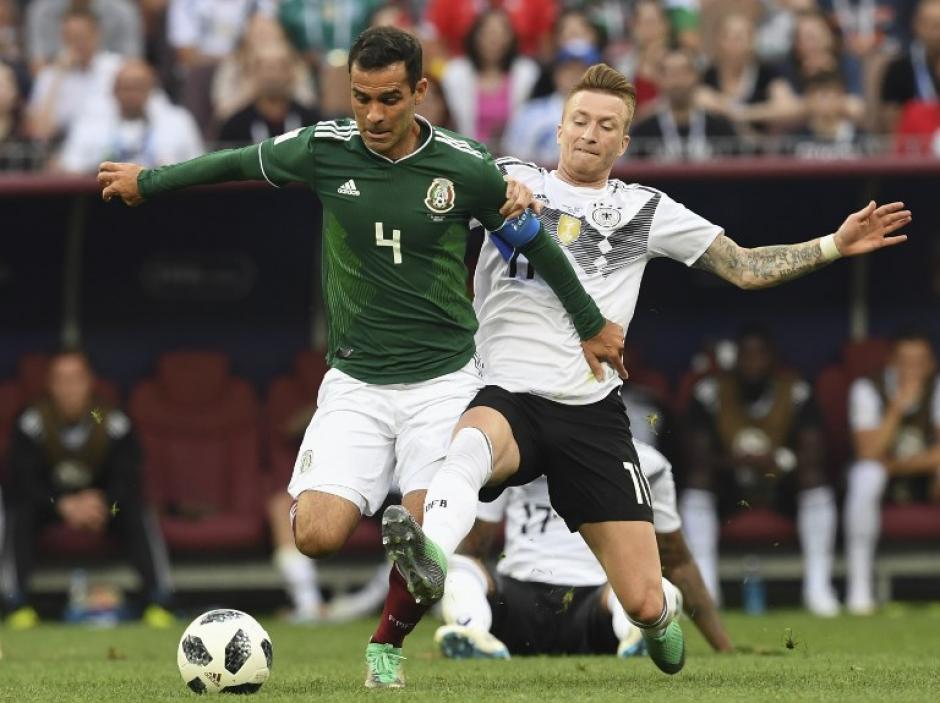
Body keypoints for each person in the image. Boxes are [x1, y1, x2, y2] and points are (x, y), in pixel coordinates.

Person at [95, 26, 624, 688]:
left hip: (444, 381)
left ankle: (385, 644)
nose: (373, 115)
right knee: (315, 533)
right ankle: (387, 523)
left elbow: (538, 244)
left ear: (421, 92)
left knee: (438, 534)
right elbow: (235, 162)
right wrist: (152, 179)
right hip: (356, 382)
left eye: (390, 99)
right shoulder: (324, 148)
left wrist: (590, 322)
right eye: (361, 98)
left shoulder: (463, 167)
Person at [375, 61, 910, 686]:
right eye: (579, 120)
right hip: (507, 394)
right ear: (558, 128)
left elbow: (742, 266)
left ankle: (657, 623)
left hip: (590, 411)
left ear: (624, 141)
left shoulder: (644, 210)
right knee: (469, 443)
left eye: (606, 125)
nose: (589, 134)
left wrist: (833, 246)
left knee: (645, 600)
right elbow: (426, 193)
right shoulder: (508, 182)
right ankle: (430, 555)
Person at [434, 440, 733, 659]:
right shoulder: (511, 452)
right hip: (516, 605)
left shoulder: (646, 464)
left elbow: (675, 560)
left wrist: (724, 648)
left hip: (599, 604)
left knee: (655, 587)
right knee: (458, 567)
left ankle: (636, 636)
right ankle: (471, 631)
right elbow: (474, 547)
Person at [0, 349, 174, 630]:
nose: (69, 388)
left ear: (89, 381)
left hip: (106, 507)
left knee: (135, 509)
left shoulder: (109, 419)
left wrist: (102, 501)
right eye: (61, 379)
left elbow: (129, 478)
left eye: (76, 379)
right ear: (50, 384)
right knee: (19, 510)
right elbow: (21, 480)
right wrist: (63, 504)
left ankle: (159, 599)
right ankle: (15, 603)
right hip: (51, 506)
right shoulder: (32, 421)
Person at [679, 326, 839, 615]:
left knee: (814, 480)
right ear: (735, 359)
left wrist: (779, 460)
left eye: (760, 356)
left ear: (773, 359)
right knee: (697, 481)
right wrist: (736, 462)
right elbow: (695, 456)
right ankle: (707, 590)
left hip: (780, 483)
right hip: (729, 483)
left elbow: (814, 451)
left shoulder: (797, 390)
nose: (753, 363)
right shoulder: (709, 392)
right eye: (746, 356)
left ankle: (818, 586)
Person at [844, 328, 940, 615]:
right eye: (905, 362)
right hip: (881, 482)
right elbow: (868, 451)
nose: (913, 370)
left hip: (922, 477)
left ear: (932, 363)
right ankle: (859, 587)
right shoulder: (867, 388)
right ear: (891, 363)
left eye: (919, 362)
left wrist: (898, 464)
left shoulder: (938, 387)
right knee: (866, 474)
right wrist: (897, 407)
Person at [59, 58, 203, 174]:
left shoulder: (178, 121)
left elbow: (198, 169)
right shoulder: (89, 123)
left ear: (150, 90)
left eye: (139, 87)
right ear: (114, 90)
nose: (132, 94)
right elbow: (69, 169)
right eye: (126, 88)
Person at [440, 8, 540, 149]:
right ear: (475, 35)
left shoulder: (527, 72)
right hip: (467, 155)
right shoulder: (455, 73)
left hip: (515, 158)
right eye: (487, 33)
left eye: (501, 33)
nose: (493, 39)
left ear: (511, 37)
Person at [25, 8, 121, 143]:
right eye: (70, 38)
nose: (77, 44)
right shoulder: (49, 76)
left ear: (97, 35)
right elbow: (40, 132)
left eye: (82, 37)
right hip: (61, 150)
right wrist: (58, 76)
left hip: (109, 144)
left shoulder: (117, 69)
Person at [500, 40, 602, 165]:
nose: (575, 76)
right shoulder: (530, 113)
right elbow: (514, 159)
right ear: (557, 74)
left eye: (582, 70)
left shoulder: (608, 116)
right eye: (568, 69)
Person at [629, 49, 740, 161]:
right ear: (659, 79)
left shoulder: (720, 128)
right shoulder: (643, 131)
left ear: (697, 77)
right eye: (671, 74)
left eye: (684, 72)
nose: (678, 81)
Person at [218, 44, 320, 145]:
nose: (273, 75)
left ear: (292, 73)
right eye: (265, 68)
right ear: (251, 73)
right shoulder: (234, 126)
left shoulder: (312, 123)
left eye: (280, 67)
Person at [879, 0, 940, 134]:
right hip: (917, 147)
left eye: (939, 24)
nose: (936, 31)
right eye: (930, 23)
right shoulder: (898, 69)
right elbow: (892, 124)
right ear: (916, 25)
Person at [784, 70, 866, 159]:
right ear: (807, 99)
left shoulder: (862, 138)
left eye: (828, 94)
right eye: (815, 93)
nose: (822, 101)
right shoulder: (794, 139)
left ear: (842, 97)